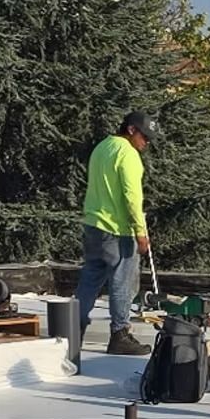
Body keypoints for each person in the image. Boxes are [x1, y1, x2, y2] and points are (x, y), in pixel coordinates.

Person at [78, 112, 156, 356]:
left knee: (90, 278)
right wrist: (140, 232)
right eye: (145, 136)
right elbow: (132, 196)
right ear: (131, 130)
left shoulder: (102, 147)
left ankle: (71, 327)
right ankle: (120, 334)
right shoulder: (128, 154)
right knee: (122, 281)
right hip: (117, 229)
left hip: (93, 224)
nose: (147, 143)